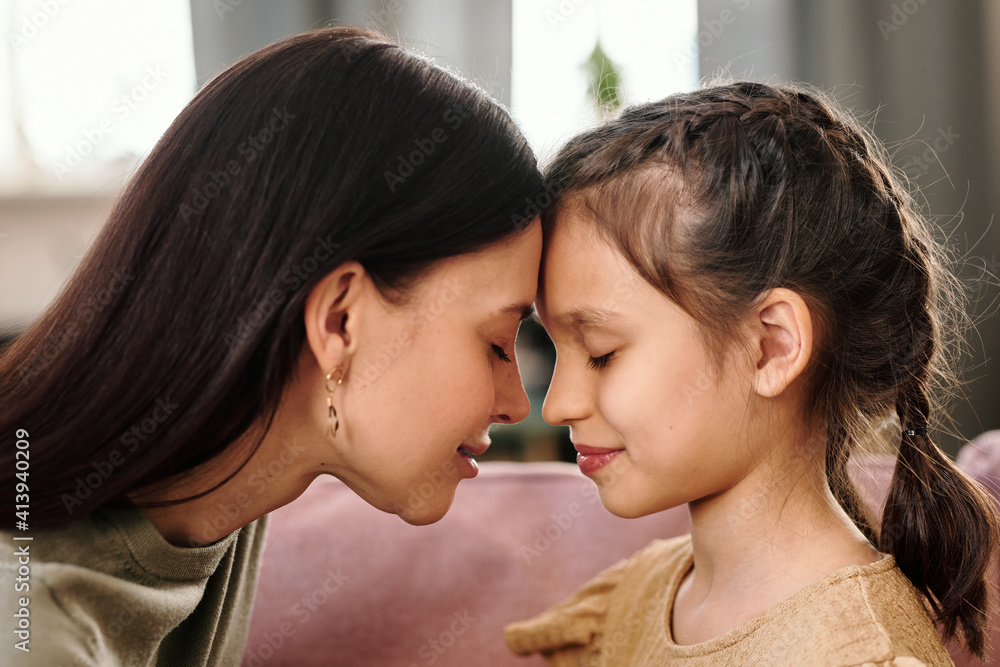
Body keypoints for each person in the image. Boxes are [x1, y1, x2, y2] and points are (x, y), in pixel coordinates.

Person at [0, 26, 544, 666]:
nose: (518, 403)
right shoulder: (36, 632)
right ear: (340, 323)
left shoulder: (228, 478)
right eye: (496, 345)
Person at [505, 81, 997, 665]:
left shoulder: (854, 653)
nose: (557, 405)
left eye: (601, 353)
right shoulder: (639, 597)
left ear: (770, 347)